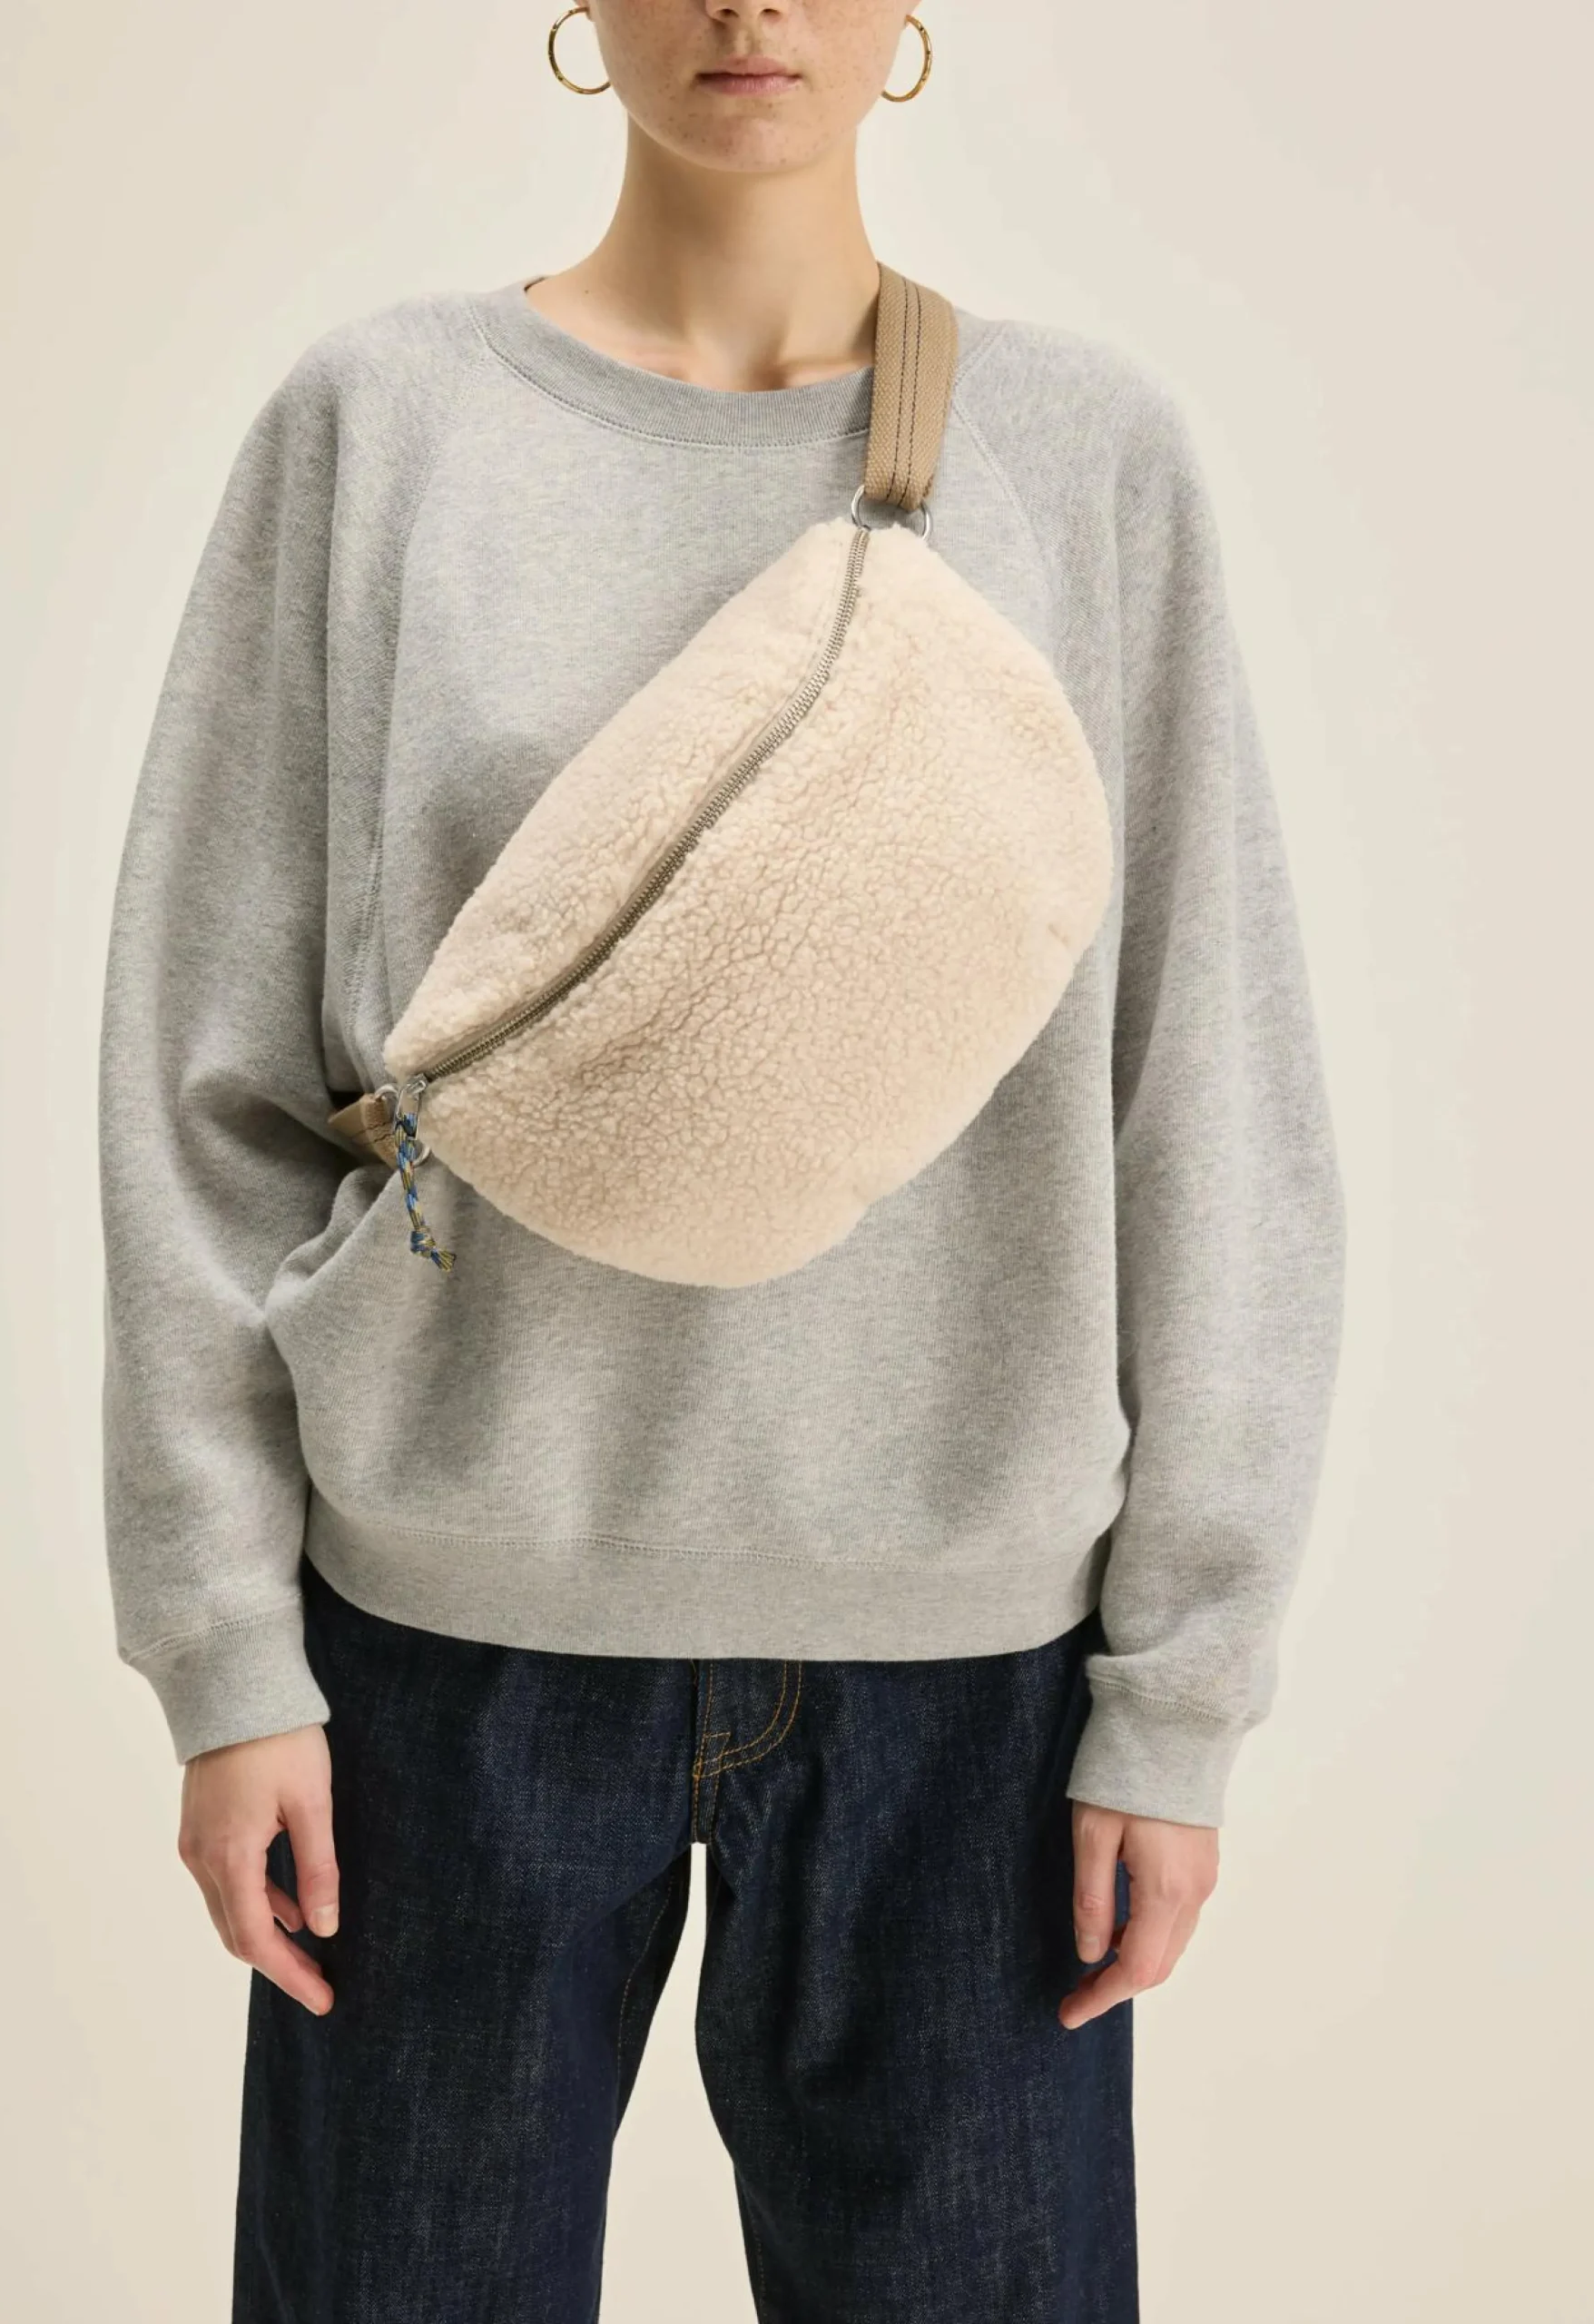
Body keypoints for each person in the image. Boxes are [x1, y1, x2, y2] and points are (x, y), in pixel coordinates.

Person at [95, 5, 1346, 2316]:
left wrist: (1183, 1693)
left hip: (972, 1679)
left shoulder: (1084, 457)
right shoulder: (384, 426)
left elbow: (1210, 1094)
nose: (750, 8)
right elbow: (209, 1075)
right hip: (441, 1653)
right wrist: (227, 1654)